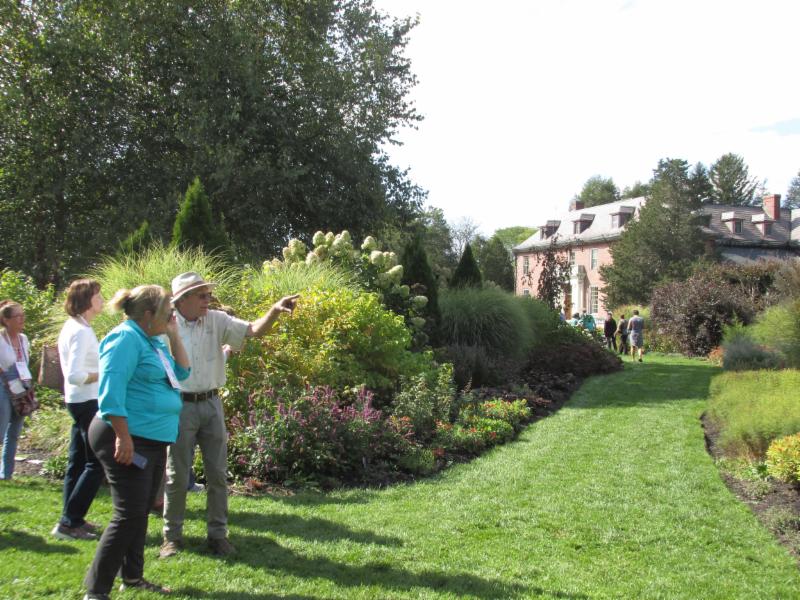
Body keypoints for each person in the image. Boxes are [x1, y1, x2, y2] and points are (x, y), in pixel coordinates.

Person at [160, 273, 299, 559]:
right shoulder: (164, 325)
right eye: (201, 295)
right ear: (182, 299)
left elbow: (253, 330)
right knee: (176, 476)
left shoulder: (216, 319)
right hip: (179, 406)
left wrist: (274, 311)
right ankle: (171, 538)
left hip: (211, 404)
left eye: (208, 294)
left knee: (218, 474)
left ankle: (218, 536)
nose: (208, 299)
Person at [83, 285, 190, 600]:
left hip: (151, 439)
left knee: (140, 511)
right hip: (125, 436)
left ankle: (132, 577)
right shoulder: (125, 339)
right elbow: (110, 392)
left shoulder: (152, 341)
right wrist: (123, 436)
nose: (172, 316)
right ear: (148, 314)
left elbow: (182, 372)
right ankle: (96, 591)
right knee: (128, 513)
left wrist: (174, 335)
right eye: (167, 312)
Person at [52, 280, 105, 541]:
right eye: (98, 295)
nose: (102, 299)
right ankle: (69, 522)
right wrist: (102, 374)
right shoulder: (81, 331)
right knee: (96, 463)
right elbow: (74, 375)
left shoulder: (76, 326)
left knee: (78, 462)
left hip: (78, 400)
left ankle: (71, 518)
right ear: (86, 300)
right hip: (86, 401)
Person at [0, 300, 31, 480]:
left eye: (22, 315)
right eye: (17, 316)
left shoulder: (24, 339)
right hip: (3, 385)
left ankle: (6, 474)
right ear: (6, 320)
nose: (22, 319)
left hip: (21, 386)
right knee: (1, 427)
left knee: (14, 432)